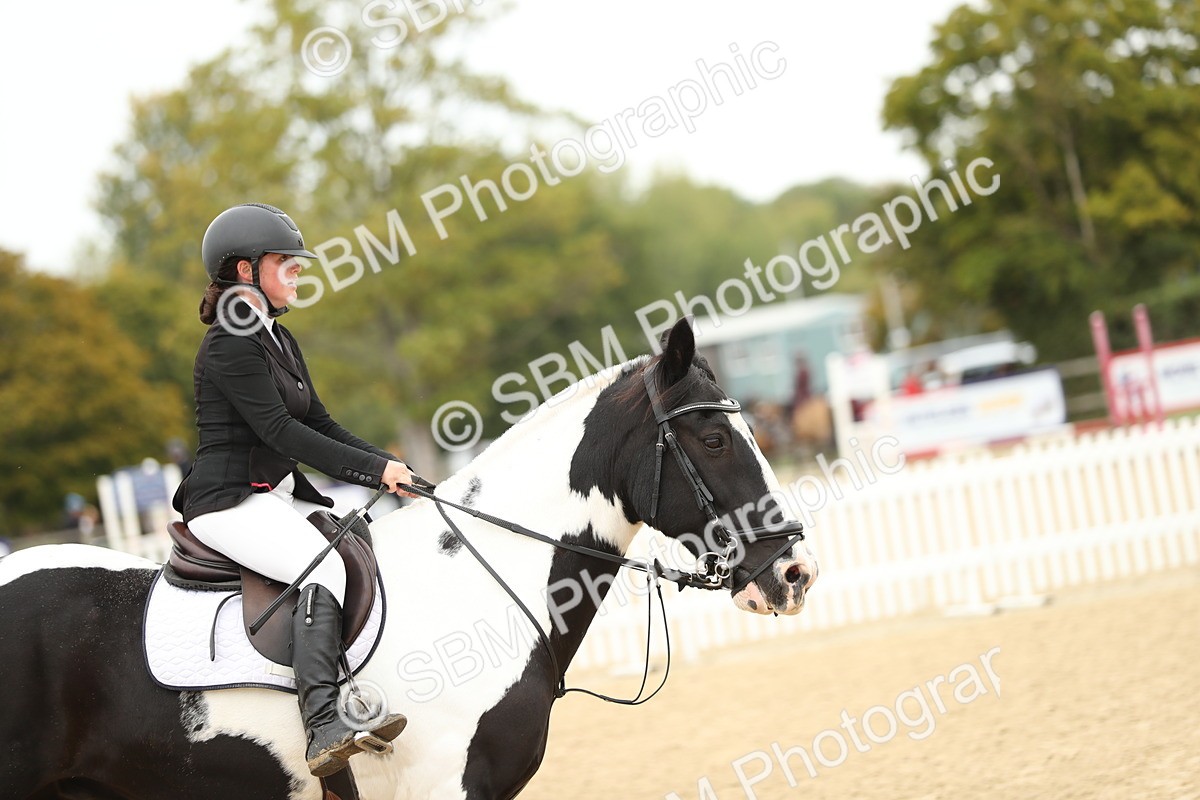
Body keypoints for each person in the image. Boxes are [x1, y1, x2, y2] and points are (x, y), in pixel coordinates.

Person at [171, 202, 415, 777]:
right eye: (286, 262)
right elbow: (281, 431)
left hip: (273, 495)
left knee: (363, 547)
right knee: (321, 566)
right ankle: (323, 725)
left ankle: (355, 690)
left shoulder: (277, 337)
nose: (299, 270)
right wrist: (372, 472)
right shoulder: (230, 341)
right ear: (245, 270)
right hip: (227, 502)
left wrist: (388, 464)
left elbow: (321, 424)